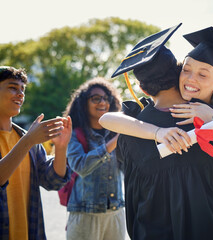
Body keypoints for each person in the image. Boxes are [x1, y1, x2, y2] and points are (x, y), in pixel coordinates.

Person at [100, 24, 213, 240]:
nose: (191, 78)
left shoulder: (133, 129)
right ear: (179, 70)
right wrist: (159, 131)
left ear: (143, 89)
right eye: (187, 70)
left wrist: (211, 118)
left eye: (202, 74)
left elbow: (132, 193)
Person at [0, 66, 72, 240]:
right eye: (12, 87)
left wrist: (61, 148)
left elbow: (52, 181)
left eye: (22, 90)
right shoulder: (28, 140)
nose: (20, 94)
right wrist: (29, 140)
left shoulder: (26, 139)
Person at [63, 77, 126, 240]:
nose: (102, 102)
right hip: (85, 214)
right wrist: (112, 144)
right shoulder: (75, 134)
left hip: (116, 213)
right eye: (96, 98)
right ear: (84, 103)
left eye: (106, 98)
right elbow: (80, 166)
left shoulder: (115, 133)